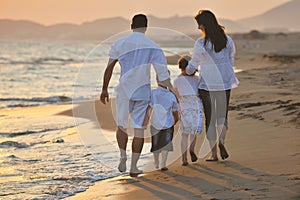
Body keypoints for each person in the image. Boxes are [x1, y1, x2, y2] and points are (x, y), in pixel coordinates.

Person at [100, 14, 174, 177]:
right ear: (146, 27)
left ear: (131, 25)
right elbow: (163, 75)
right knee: (139, 130)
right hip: (142, 92)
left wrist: (104, 89)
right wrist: (174, 93)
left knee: (121, 126)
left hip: (124, 91)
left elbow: (109, 68)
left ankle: (122, 157)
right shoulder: (153, 46)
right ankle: (133, 167)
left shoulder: (119, 43)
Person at [185, 10, 239, 161]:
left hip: (207, 84)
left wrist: (188, 72)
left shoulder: (201, 43)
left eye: (199, 24)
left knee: (210, 118)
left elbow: (194, 63)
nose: (198, 28)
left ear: (204, 24)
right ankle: (221, 141)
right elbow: (231, 60)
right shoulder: (227, 40)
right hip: (225, 82)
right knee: (222, 116)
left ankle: (214, 154)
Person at [173, 55, 202, 166]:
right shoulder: (197, 79)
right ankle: (192, 149)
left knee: (184, 134)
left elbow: (176, 96)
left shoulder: (177, 81)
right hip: (196, 105)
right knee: (193, 132)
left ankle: (184, 159)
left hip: (184, 106)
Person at [149, 75, 179, 171]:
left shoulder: (153, 93)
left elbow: (148, 107)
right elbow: (175, 110)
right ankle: (163, 164)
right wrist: (176, 119)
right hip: (168, 122)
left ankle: (156, 162)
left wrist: (145, 119)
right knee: (166, 144)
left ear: (157, 81)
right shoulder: (171, 95)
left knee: (156, 143)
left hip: (155, 122)